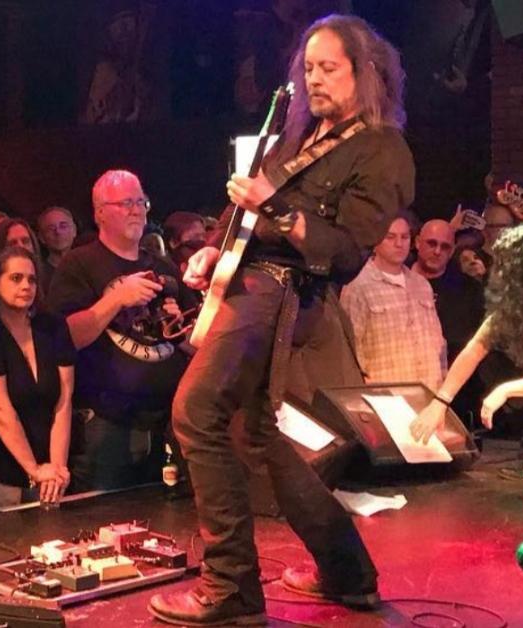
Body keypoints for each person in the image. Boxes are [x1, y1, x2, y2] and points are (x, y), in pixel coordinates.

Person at [153, 15, 415, 623]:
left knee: (195, 411)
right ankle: (349, 574)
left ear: (365, 73)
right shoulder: (296, 140)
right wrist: (213, 251)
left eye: (329, 68)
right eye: (308, 68)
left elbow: (347, 252)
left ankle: (231, 590)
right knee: (253, 433)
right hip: (248, 281)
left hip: (283, 291)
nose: (312, 79)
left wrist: (271, 205)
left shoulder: (382, 149)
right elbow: (244, 221)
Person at [47, 170, 192, 493]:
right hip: (107, 424)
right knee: (103, 523)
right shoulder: (79, 264)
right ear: (99, 212)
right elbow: (65, 337)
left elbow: (191, 340)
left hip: (167, 423)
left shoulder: (163, 267)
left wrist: (177, 325)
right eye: (126, 202)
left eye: (141, 201)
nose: (137, 210)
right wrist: (115, 299)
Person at [412, 225, 523, 479]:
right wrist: (440, 403)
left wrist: (506, 389)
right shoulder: (519, 300)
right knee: (503, 371)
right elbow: (475, 349)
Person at [0, 247, 74, 510]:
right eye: (16, 278)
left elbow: (64, 401)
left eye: (32, 279)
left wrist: (56, 469)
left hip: (46, 469)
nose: (26, 286)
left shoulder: (53, 327)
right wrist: (33, 469)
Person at [341, 216, 446, 390]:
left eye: (405, 237)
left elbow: (438, 342)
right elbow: (348, 348)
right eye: (390, 237)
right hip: (388, 397)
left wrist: (442, 388)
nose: (399, 244)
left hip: (428, 394)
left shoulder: (421, 284)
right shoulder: (358, 285)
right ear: (376, 241)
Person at [412, 218, 485, 361]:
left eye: (445, 247)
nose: (437, 251)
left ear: (452, 251)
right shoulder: (396, 280)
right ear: (417, 242)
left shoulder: (469, 290)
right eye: (431, 244)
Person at [36, 205, 78, 274]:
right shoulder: (39, 273)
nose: (58, 232)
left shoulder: (87, 266)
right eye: (51, 228)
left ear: (74, 231)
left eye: (63, 226)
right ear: (41, 237)